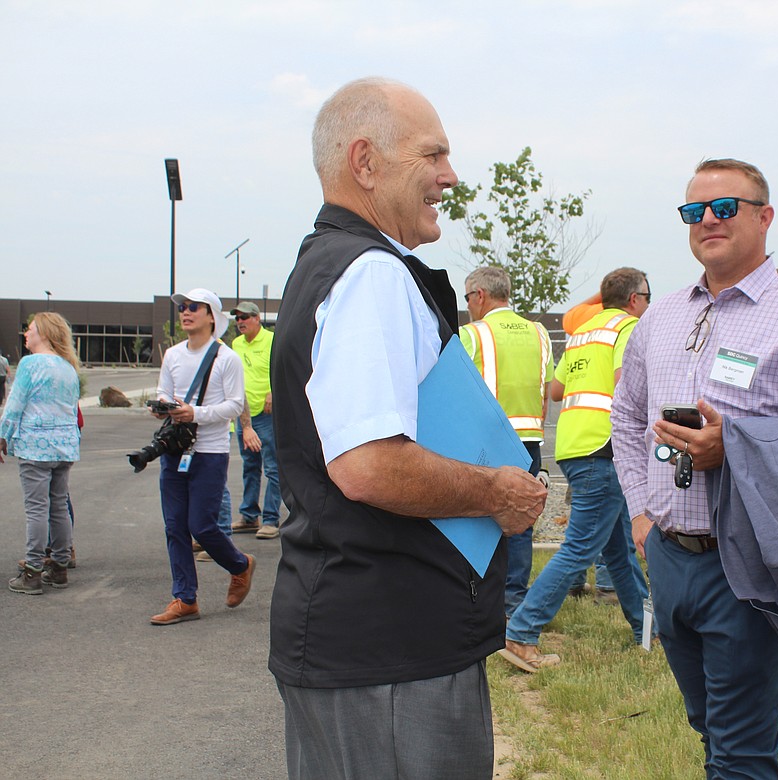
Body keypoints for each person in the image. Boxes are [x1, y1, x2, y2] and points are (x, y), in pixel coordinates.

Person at [269, 77, 546, 780]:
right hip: (390, 649)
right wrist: (495, 492)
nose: (450, 177)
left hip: (359, 639)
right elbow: (367, 464)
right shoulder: (372, 274)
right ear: (365, 162)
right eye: (433, 156)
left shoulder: (329, 264)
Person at [611, 159, 778, 778]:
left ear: (765, 217)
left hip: (747, 562)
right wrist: (639, 512)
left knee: (741, 749)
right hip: (669, 556)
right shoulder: (661, 316)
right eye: (694, 211)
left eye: (726, 208)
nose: (708, 220)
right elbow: (627, 417)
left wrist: (735, 444)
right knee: (709, 729)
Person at [500, 267, 652, 672]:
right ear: (635, 299)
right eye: (648, 297)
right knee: (580, 547)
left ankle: (649, 633)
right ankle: (521, 630)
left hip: (573, 443)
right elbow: (627, 384)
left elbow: (556, 389)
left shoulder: (585, 330)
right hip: (605, 446)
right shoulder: (628, 329)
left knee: (618, 550)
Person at [150, 288, 256, 625]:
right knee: (174, 526)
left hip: (210, 451)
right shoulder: (173, 355)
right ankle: (185, 598)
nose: (185, 312)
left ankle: (240, 565)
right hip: (175, 450)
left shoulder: (226, 358)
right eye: (182, 307)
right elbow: (163, 391)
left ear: (212, 315)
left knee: (202, 525)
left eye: (193, 307)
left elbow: (235, 405)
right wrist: (163, 406)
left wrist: (192, 413)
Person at [460, 266, 553, 617]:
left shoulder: (472, 334)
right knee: (521, 521)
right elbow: (546, 391)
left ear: (480, 295)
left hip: (486, 441)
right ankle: (515, 602)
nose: (468, 304)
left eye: (468, 297)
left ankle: (481, 600)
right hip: (528, 440)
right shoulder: (540, 334)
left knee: (480, 520)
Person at [1, 313, 82, 594]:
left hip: (36, 446)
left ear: (44, 334)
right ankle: (59, 567)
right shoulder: (68, 367)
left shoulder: (30, 364)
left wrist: (3, 436)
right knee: (58, 506)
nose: (26, 333)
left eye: (30, 329)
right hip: (64, 446)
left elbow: (14, 405)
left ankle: (32, 571)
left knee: (37, 509)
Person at [228, 301, 283, 540]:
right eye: (237, 318)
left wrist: (274, 391)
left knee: (272, 467)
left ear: (257, 318)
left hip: (266, 414)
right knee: (250, 466)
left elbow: (283, 369)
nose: (240, 322)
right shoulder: (236, 344)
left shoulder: (272, 340)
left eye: (245, 317)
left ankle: (271, 519)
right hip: (243, 415)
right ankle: (249, 515)